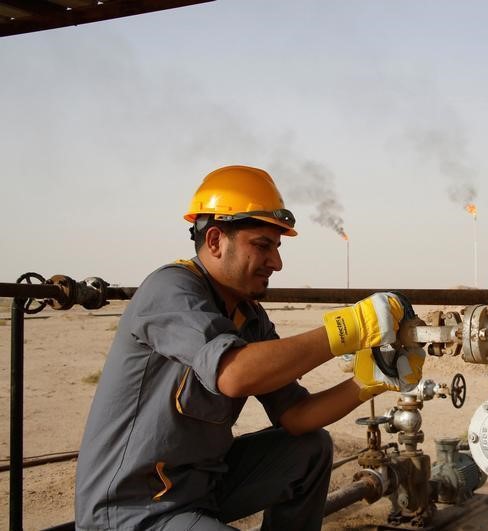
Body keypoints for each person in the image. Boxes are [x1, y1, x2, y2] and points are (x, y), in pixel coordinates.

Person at [74, 165, 425, 530]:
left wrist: (368, 382)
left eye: (277, 247)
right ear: (215, 240)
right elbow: (234, 373)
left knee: (311, 449)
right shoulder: (171, 290)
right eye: (262, 245)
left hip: (201, 487)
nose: (277, 262)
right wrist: (348, 328)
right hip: (136, 507)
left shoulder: (249, 317)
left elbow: (296, 415)